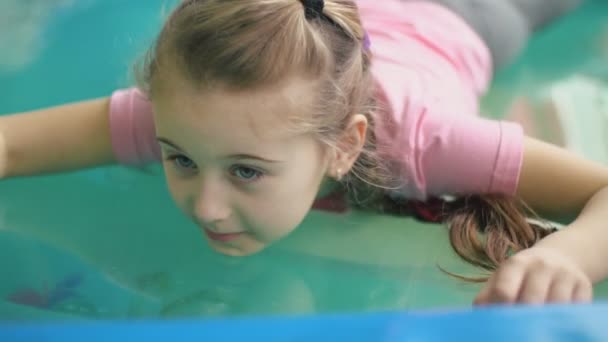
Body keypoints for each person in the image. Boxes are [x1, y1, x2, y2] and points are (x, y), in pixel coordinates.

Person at [0, 0, 600, 306]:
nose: (206, 206)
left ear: (346, 146)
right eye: (179, 159)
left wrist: (571, 258)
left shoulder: (422, 141)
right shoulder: (188, 108)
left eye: (245, 171)